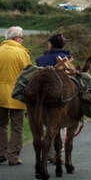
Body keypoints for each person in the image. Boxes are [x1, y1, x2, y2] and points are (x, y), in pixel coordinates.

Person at [0, 26, 31, 165]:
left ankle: (0, 153)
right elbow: (29, 76)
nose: (22, 40)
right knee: (17, 126)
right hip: (17, 95)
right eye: (21, 37)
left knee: (1, 124)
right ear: (16, 38)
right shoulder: (22, 53)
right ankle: (13, 156)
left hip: (0, 94)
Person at [36, 33, 70, 163]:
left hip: (44, 97)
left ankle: (48, 152)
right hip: (61, 96)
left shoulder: (40, 60)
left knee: (47, 125)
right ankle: (57, 155)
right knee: (61, 126)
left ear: (51, 45)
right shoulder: (66, 58)